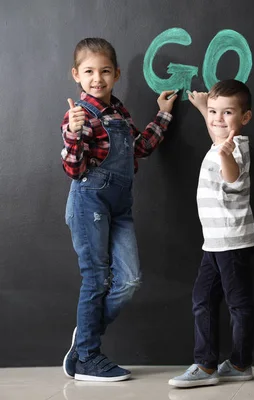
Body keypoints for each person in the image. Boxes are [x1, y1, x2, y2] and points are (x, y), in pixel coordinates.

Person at [61, 37, 177, 382]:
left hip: (120, 207)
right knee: (96, 279)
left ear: (117, 74)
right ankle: (87, 356)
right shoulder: (78, 116)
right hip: (89, 202)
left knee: (128, 281)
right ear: (76, 75)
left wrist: (164, 115)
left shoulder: (119, 112)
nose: (98, 78)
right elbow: (73, 168)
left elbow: (140, 148)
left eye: (105, 71)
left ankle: (84, 336)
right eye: (89, 71)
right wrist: (73, 133)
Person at [168, 79, 254, 388]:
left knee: (237, 304)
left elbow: (231, 178)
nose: (218, 119)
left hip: (231, 242)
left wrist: (226, 155)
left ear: (244, 118)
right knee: (202, 299)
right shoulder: (221, 141)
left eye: (227, 113)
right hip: (215, 242)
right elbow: (216, 131)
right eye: (214, 112)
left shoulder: (236, 150)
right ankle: (207, 364)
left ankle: (237, 363)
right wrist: (203, 107)